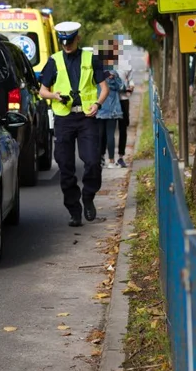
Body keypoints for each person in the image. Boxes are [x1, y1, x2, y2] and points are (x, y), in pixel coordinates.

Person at [39, 21, 109, 227]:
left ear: (78, 38)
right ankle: (74, 210)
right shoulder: (54, 61)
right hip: (64, 118)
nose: (66, 45)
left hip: (87, 117)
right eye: (63, 42)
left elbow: (104, 88)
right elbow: (42, 91)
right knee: (65, 165)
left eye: (70, 41)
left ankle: (88, 196)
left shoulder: (91, 59)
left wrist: (97, 104)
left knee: (93, 161)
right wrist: (54, 95)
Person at [97, 55, 125, 167]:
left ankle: (100, 159)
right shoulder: (113, 73)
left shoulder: (97, 73)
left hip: (99, 107)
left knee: (99, 135)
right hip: (112, 110)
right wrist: (115, 78)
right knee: (110, 135)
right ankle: (112, 161)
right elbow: (122, 87)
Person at [114, 46, 134, 167]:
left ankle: (121, 156)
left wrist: (131, 86)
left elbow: (131, 81)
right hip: (110, 101)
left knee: (123, 128)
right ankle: (106, 156)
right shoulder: (106, 66)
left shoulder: (127, 65)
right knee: (107, 130)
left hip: (123, 100)